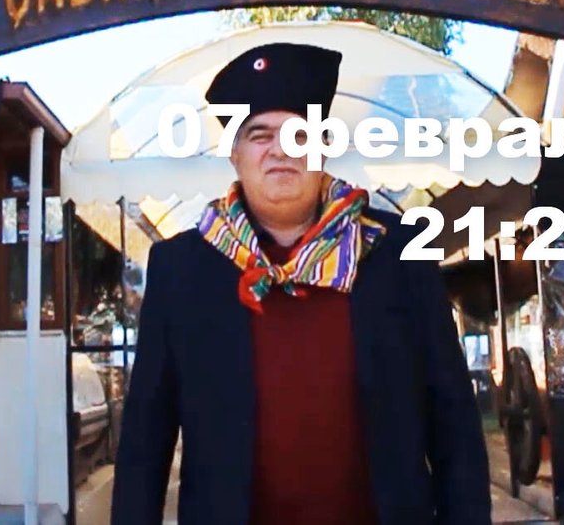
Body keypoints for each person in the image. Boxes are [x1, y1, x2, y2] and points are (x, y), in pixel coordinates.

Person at [112, 42, 490, 525]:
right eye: (260, 135)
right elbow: (145, 442)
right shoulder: (182, 268)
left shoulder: (396, 252)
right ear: (235, 155)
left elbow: (453, 421)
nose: (281, 149)